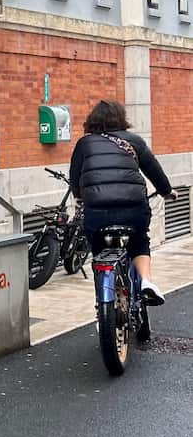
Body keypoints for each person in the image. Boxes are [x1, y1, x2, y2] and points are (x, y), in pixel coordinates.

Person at [69, 100, 175, 305]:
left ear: (92, 120)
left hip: (97, 212)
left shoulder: (84, 144)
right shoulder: (134, 141)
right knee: (139, 241)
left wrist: (79, 197)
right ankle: (146, 281)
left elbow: (75, 176)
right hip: (133, 210)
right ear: (121, 119)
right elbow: (154, 171)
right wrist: (167, 192)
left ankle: (104, 298)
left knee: (98, 248)